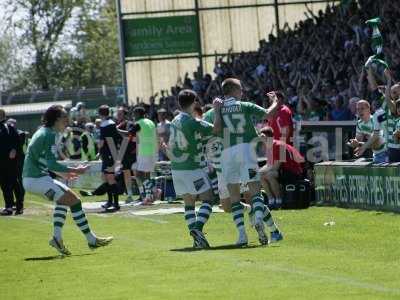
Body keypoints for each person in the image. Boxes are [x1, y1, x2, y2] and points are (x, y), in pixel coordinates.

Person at [22, 105, 112, 255]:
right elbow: (51, 163)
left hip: (36, 178)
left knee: (67, 200)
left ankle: (58, 238)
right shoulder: (49, 134)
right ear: (56, 119)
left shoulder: (45, 132)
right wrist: (76, 170)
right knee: (74, 201)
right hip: (36, 179)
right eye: (64, 117)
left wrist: (65, 175)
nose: (67, 120)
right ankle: (91, 240)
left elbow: (44, 162)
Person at [213, 78, 282, 245]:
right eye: (241, 89)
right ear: (235, 91)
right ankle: (258, 217)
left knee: (235, 198)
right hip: (246, 150)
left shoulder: (218, 108)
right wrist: (276, 101)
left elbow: (215, 130)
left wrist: (216, 111)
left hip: (227, 154)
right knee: (254, 192)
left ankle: (242, 235)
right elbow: (269, 113)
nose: (242, 92)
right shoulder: (245, 105)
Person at [167, 89, 216, 248]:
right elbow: (216, 129)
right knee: (208, 198)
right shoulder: (192, 121)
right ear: (194, 102)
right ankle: (197, 228)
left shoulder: (174, 120)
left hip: (176, 168)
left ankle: (197, 241)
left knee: (188, 203)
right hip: (192, 167)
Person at [259, 126, 305, 208]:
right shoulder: (269, 147)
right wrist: (258, 171)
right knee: (261, 176)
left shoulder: (279, 145)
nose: (262, 140)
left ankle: (279, 200)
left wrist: (261, 171)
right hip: (283, 171)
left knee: (269, 175)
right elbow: (269, 164)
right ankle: (271, 200)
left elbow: (275, 167)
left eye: (264, 137)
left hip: (293, 172)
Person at [130, 107, 157, 204]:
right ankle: (149, 197)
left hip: (144, 152)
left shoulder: (138, 123)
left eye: (134, 114)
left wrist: (116, 130)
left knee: (139, 175)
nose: (133, 116)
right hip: (152, 151)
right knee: (147, 176)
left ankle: (154, 190)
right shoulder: (151, 122)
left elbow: (129, 134)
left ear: (138, 114)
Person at [98, 105, 122, 211]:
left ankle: (114, 202)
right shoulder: (112, 123)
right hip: (112, 152)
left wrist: (98, 146)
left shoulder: (104, 125)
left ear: (100, 114)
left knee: (109, 178)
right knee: (106, 177)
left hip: (108, 153)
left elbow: (102, 142)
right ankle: (111, 201)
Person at [0, 109, 20, 215]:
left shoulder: (8, 127)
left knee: (10, 183)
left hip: (8, 161)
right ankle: (11, 206)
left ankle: (12, 206)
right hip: (3, 161)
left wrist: (14, 149)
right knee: (7, 184)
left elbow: (17, 141)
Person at [7, 118, 27, 215]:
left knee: (20, 181)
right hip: (10, 161)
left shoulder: (20, 133)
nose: (11, 125)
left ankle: (20, 201)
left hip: (19, 161)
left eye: (12, 124)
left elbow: (18, 145)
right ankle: (13, 203)